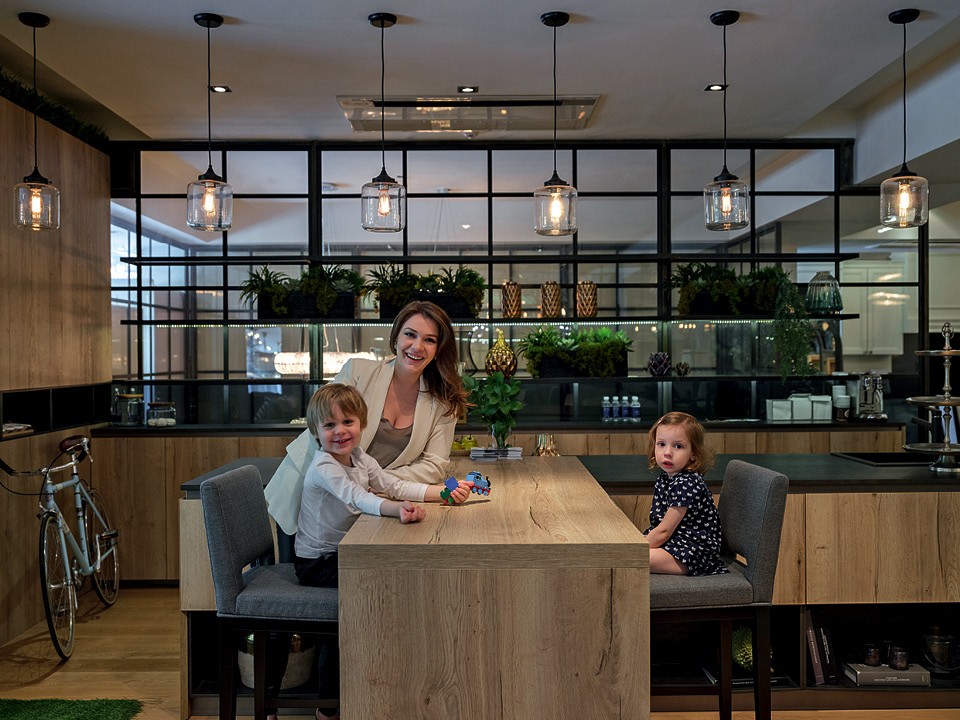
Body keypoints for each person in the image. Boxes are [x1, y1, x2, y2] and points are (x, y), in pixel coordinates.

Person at [269, 382, 472, 720]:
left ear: (362, 424)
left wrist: (442, 493)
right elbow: (358, 497)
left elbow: (392, 484)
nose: (340, 431)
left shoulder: (360, 457)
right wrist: (396, 510)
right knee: (371, 594)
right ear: (315, 432)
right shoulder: (324, 467)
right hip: (317, 562)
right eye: (329, 425)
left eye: (347, 422)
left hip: (343, 553)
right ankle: (333, 707)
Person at [265, 300, 468, 536]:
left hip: (369, 504)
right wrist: (369, 484)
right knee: (297, 554)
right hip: (306, 489)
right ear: (396, 337)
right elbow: (321, 422)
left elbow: (433, 467)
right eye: (410, 334)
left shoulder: (443, 403)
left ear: (438, 349)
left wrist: (377, 483)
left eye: (429, 340)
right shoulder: (358, 372)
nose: (417, 346)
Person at [644, 411, 728, 576]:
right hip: (674, 544)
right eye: (661, 444)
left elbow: (664, 531)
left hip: (692, 553)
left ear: (694, 454)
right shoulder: (666, 477)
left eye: (678, 446)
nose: (667, 452)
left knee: (629, 558)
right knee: (621, 552)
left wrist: (634, 549)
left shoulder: (687, 483)